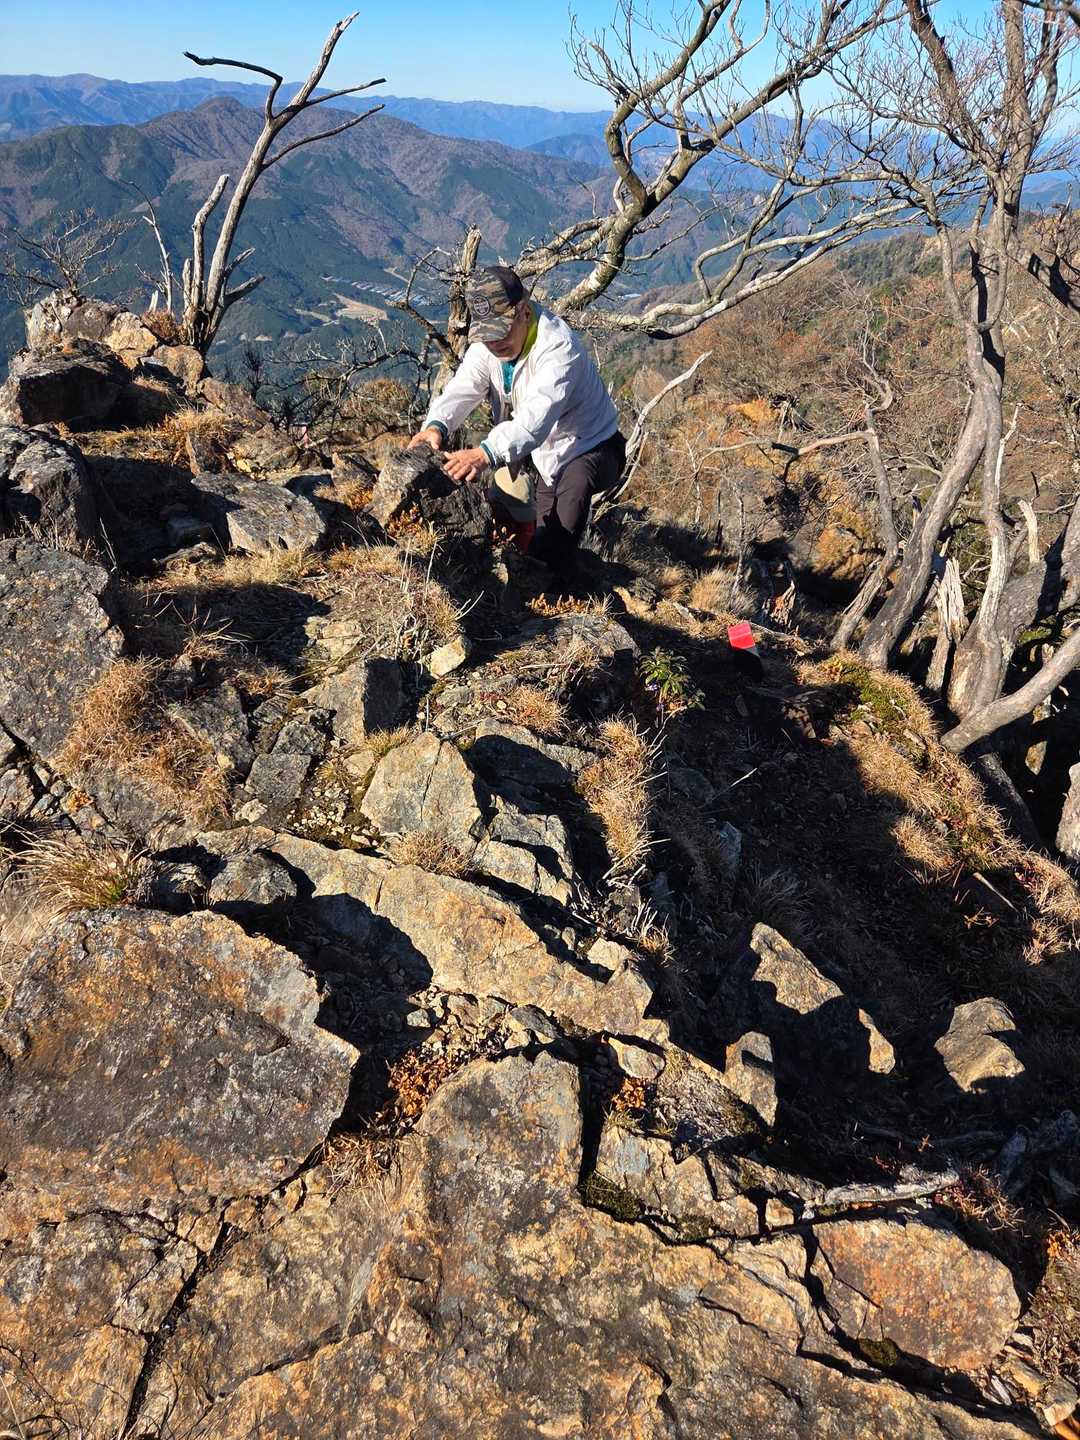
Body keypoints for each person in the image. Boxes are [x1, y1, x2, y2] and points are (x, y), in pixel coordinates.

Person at [408, 264, 625, 571]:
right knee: (543, 536)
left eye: (501, 331)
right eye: (487, 335)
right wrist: (437, 425)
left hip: (595, 447)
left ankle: (559, 592)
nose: (495, 343)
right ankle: (539, 581)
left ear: (524, 311)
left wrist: (484, 454)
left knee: (564, 522)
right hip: (549, 456)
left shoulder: (558, 349)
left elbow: (534, 420)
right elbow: (465, 385)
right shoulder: (488, 346)